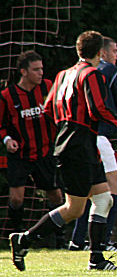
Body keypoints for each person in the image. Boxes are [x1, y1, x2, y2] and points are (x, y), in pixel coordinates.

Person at [9, 30, 117, 271]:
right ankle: (24, 239)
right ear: (99, 53)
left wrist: (65, 127)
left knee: (103, 198)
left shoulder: (64, 74)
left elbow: (48, 108)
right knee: (74, 208)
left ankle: (96, 259)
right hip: (79, 145)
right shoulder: (92, 73)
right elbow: (97, 107)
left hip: (74, 142)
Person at [69, 37, 117, 252]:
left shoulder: (68, 73)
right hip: (98, 135)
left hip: (74, 137)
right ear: (101, 53)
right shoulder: (107, 71)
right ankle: (102, 241)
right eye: (114, 50)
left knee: (89, 192)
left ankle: (78, 240)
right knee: (113, 187)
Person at [0, 50, 65, 247]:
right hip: (20, 155)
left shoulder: (47, 87)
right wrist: (7, 139)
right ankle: (16, 236)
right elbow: (1, 125)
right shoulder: (7, 96)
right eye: (36, 69)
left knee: (56, 195)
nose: (40, 73)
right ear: (24, 72)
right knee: (17, 198)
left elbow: (59, 109)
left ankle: (60, 240)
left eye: (42, 69)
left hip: (45, 152)